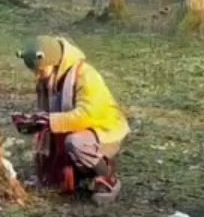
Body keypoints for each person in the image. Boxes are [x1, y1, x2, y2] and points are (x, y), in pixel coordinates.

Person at [12, 35, 128, 202]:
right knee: (66, 141)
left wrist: (48, 121)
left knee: (76, 143)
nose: (37, 77)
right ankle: (74, 174)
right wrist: (33, 123)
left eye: (40, 71)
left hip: (104, 132)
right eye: (34, 72)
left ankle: (107, 178)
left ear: (54, 62)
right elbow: (49, 118)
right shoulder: (48, 80)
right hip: (79, 131)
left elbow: (87, 115)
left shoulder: (86, 75)